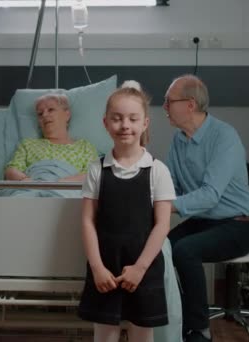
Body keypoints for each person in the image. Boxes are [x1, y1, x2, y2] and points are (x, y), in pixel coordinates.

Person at [78, 81, 176, 342]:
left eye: (133, 119)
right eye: (117, 119)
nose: (125, 125)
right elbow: (88, 221)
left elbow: (162, 225)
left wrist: (140, 268)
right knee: (104, 335)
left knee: (142, 335)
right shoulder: (96, 170)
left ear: (144, 123)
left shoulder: (158, 171)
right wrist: (97, 267)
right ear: (105, 123)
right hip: (105, 268)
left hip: (144, 267)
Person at [164, 75, 249, 342]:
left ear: (190, 104)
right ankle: (177, 321)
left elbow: (210, 195)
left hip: (239, 224)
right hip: (206, 222)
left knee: (185, 251)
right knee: (162, 246)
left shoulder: (224, 136)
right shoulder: (178, 141)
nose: (164, 107)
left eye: (169, 101)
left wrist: (163, 206)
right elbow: (171, 187)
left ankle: (198, 330)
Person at [4, 93, 98, 182]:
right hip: (32, 191)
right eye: (40, 114)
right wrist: (26, 181)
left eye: (51, 110)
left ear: (67, 115)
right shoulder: (28, 145)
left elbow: (93, 175)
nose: (44, 115)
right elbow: (11, 170)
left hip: (67, 193)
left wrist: (61, 183)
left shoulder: (84, 147)